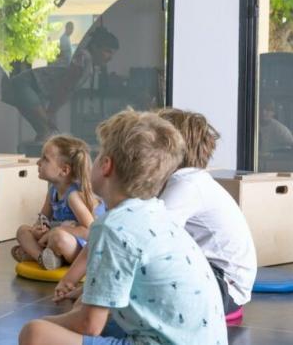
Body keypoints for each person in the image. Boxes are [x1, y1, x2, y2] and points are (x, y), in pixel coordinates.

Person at [20, 110, 227, 345]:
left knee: (35, 332)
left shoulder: (113, 226)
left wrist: (49, 322)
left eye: (98, 156)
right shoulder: (156, 212)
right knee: (85, 308)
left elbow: (91, 325)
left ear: (106, 166)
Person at [156, 108, 257, 315]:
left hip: (224, 287)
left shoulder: (187, 183)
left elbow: (150, 237)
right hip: (217, 280)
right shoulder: (185, 180)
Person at [2, 24, 119, 142]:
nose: (110, 57)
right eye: (107, 51)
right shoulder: (83, 58)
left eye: (113, 54)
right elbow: (65, 87)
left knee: (46, 131)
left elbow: (66, 90)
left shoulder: (87, 63)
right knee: (46, 130)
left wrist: (51, 112)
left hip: (34, 89)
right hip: (24, 84)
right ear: (94, 47)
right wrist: (51, 112)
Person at [11, 134, 104, 270]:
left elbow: (91, 231)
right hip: (57, 241)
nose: (38, 162)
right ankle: (43, 258)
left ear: (64, 170)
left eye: (45, 159)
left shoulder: (73, 196)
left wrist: (57, 230)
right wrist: (38, 229)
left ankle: (39, 255)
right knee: (22, 231)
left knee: (57, 236)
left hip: (82, 247)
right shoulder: (53, 191)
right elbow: (43, 219)